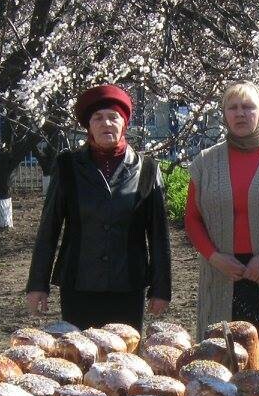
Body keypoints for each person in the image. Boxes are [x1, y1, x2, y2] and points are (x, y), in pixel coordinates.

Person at [26, 84, 172, 329]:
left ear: (124, 123)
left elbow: (158, 236)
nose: (106, 124)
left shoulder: (147, 169)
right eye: (98, 118)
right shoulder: (67, 167)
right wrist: (37, 285)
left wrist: (161, 289)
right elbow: (48, 229)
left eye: (113, 117)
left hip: (128, 285)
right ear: (88, 126)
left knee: (125, 360)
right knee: (80, 356)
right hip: (79, 285)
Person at [185, 82, 259, 338]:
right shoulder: (205, 162)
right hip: (220, 272)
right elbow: (192, 218)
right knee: (220, 354)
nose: (240, 113)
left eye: (248, 107)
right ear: (224, 114)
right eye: (233, 107)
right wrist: (215, 257)